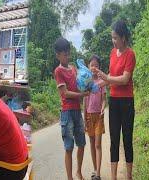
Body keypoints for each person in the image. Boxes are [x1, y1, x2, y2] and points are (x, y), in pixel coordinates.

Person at [93, 20, 136, 180]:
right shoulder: (112, 53)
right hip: (114, 101)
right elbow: (110, 79)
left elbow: (125, 79)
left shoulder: (130, 54)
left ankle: (129, 176)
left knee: (127, 139)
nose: (114, 41)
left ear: (123, 38)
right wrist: (96, 84)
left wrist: (107, 77)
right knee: (114, 140)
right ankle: (113, 177)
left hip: (127, 102)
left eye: (116, 38)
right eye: (112, 38)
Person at [53, 37, 89, 180]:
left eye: (68, 53)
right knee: (69, 147)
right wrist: (82, 94)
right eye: (64, 54)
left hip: (77, 111)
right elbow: (65, 93)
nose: (67, 56)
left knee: (82, 144)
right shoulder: (58, 71)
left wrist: (88, 83)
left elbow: (80, 82)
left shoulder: (73, 68)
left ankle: (79, 172)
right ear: (58, 55)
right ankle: (70, 178)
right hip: (67, 112)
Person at [84, 55, 106, 180]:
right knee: (92, 144)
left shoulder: (101, 82)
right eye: (92, 65)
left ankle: (98, 173)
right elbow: (84, 102)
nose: (94, 67)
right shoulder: (86, 82)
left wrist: (103, 108)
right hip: (88, 116)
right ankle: (94, 169)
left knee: (98, 144)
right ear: (88, 67)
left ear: (99, 67)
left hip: (98, 116)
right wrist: (84, 118)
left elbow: (104, 100)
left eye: (96, 65)